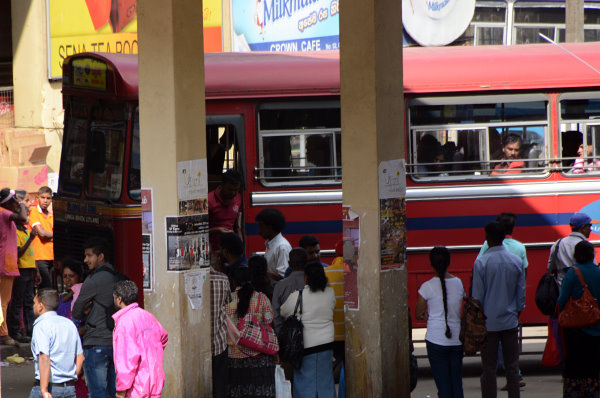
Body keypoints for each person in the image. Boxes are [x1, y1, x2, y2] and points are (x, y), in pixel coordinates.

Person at [472, 221, 525, 398]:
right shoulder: (515, 261)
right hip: (510, 321)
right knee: (512, 367)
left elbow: (477, 297)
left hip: (489, 323)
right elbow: (520, 294)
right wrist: (517, 311)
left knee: (488, 369)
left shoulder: (481, 262)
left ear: (487, 238)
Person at [280, 262, 336, 398]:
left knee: (304, 383)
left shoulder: (297, 296)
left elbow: (283, 311)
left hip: (305, 346)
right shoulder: (330, 292)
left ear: (306, 278)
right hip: (327, 344)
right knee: (326, 381)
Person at [415, 247, 465, 398]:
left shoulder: (427, 287)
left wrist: (426, 314)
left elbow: (418, 313)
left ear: (431, 264)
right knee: (456, 383)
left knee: (443, 385)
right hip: (457, 340)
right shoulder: (458, 283)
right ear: (449, 262)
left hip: (436, 340)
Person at [72, 237, 118, 398]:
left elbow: (76, 311)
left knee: (98, 393)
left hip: (96, 342)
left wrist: (88, 308)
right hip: (116, 343)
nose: (85, 260)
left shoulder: (92, 280)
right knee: (114, 392)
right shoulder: (117, 276)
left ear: (101, 256)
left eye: (89, 255)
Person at [557, 240, 600, 397]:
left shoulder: (573, 273)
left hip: (575, 330)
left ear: (576, 255)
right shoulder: (598, 272)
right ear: (591, 255)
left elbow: (562, 301)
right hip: (596, 328)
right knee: (593, 366)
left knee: (574, 367)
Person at [112, 280, 168, 398]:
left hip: (137, 388)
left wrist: (121, 391)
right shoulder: (148, 316)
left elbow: (126, 361)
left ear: (119, 299)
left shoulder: (125, 322)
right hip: (154, 382)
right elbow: (163, 337)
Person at [226, 266, 276, 398]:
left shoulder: (227, 301)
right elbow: (269, 321)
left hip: (234, 359)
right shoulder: (261, 298)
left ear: (234, 281)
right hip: (260, 358)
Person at [30, 288, 84, 398]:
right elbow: (80, 356)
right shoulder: (69, 324)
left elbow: (44, 357)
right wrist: (72, 378)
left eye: (34, 303)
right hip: (69, 388)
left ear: (41, 306)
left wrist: (44, 390)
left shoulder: (41, 325)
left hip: (50, 388)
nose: (33, 306)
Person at [0, 188, 28, 346]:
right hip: (5, 262)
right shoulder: (4, 213)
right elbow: (23, 218)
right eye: (14, 200)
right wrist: (22, 203)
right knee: (3, 301)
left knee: (4, 300)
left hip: (7, 262)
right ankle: (3, 334)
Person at [57, 258, 89, 398]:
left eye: (71, 276)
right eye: (65, 276)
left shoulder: (85, 299)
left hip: (81, 348)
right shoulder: (59, 300)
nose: (68, 280)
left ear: (80, 277)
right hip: (63, 349)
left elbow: (90, 323)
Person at [7, 211, 38, 343]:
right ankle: (16, 331)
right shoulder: (16, 232)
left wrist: (37, 271)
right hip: (21, 270)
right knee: (17, 302)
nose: (27, 217)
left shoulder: (26, 231)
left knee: (29, 302)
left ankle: (31, 331)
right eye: (25, 214)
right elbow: (18, 253)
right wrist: (30, 239)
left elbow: (31, 254)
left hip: (29, 270)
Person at [548, 212, 597, 286]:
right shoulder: (586, 247)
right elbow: (593, 271)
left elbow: (550, 267)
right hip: (581, 291)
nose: (590, 229)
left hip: (561, 289)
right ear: (582, 228)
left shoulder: (558, 244)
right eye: (589, 226)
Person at [271, 248, 308, 333]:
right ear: (307, 262)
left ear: (289, 264)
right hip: (311, 334)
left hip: (289, 335)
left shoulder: (280, 285)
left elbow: (276, 315)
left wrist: (281, 334)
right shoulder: (313, 283)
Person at [209, 169, 243, 255]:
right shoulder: (209, 201)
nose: (233, 193)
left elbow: (237, 225)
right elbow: (199, 231)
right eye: (230, 189)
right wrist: (217, 230)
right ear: (222, 185)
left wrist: (240, 239)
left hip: (231, 252)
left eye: (236, 190)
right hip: (212, 250)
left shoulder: (238, 198)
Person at [210, 265, 231, 398]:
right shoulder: (223, 279)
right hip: (219, 341)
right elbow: (228, 303)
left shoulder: (187, 279)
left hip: (196, 345)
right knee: (220, 384)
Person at [255, 208, 292, 281]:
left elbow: (283, 277)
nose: (259, 231)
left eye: (261, 226)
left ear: (270, 227)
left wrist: (260, 271)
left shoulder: (282, 247)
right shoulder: (271, 245)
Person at [29, 186, 55, 289]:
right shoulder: (34, 213)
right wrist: (52, 236)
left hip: (52, 257)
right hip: (40, 258)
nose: (45, 201)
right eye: (43, 197)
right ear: (37, 197)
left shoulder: (52, 215)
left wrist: (48, 236)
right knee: (45, 288)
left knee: (51, 288)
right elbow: (42, 234)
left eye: (48, 198)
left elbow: (45, 234)